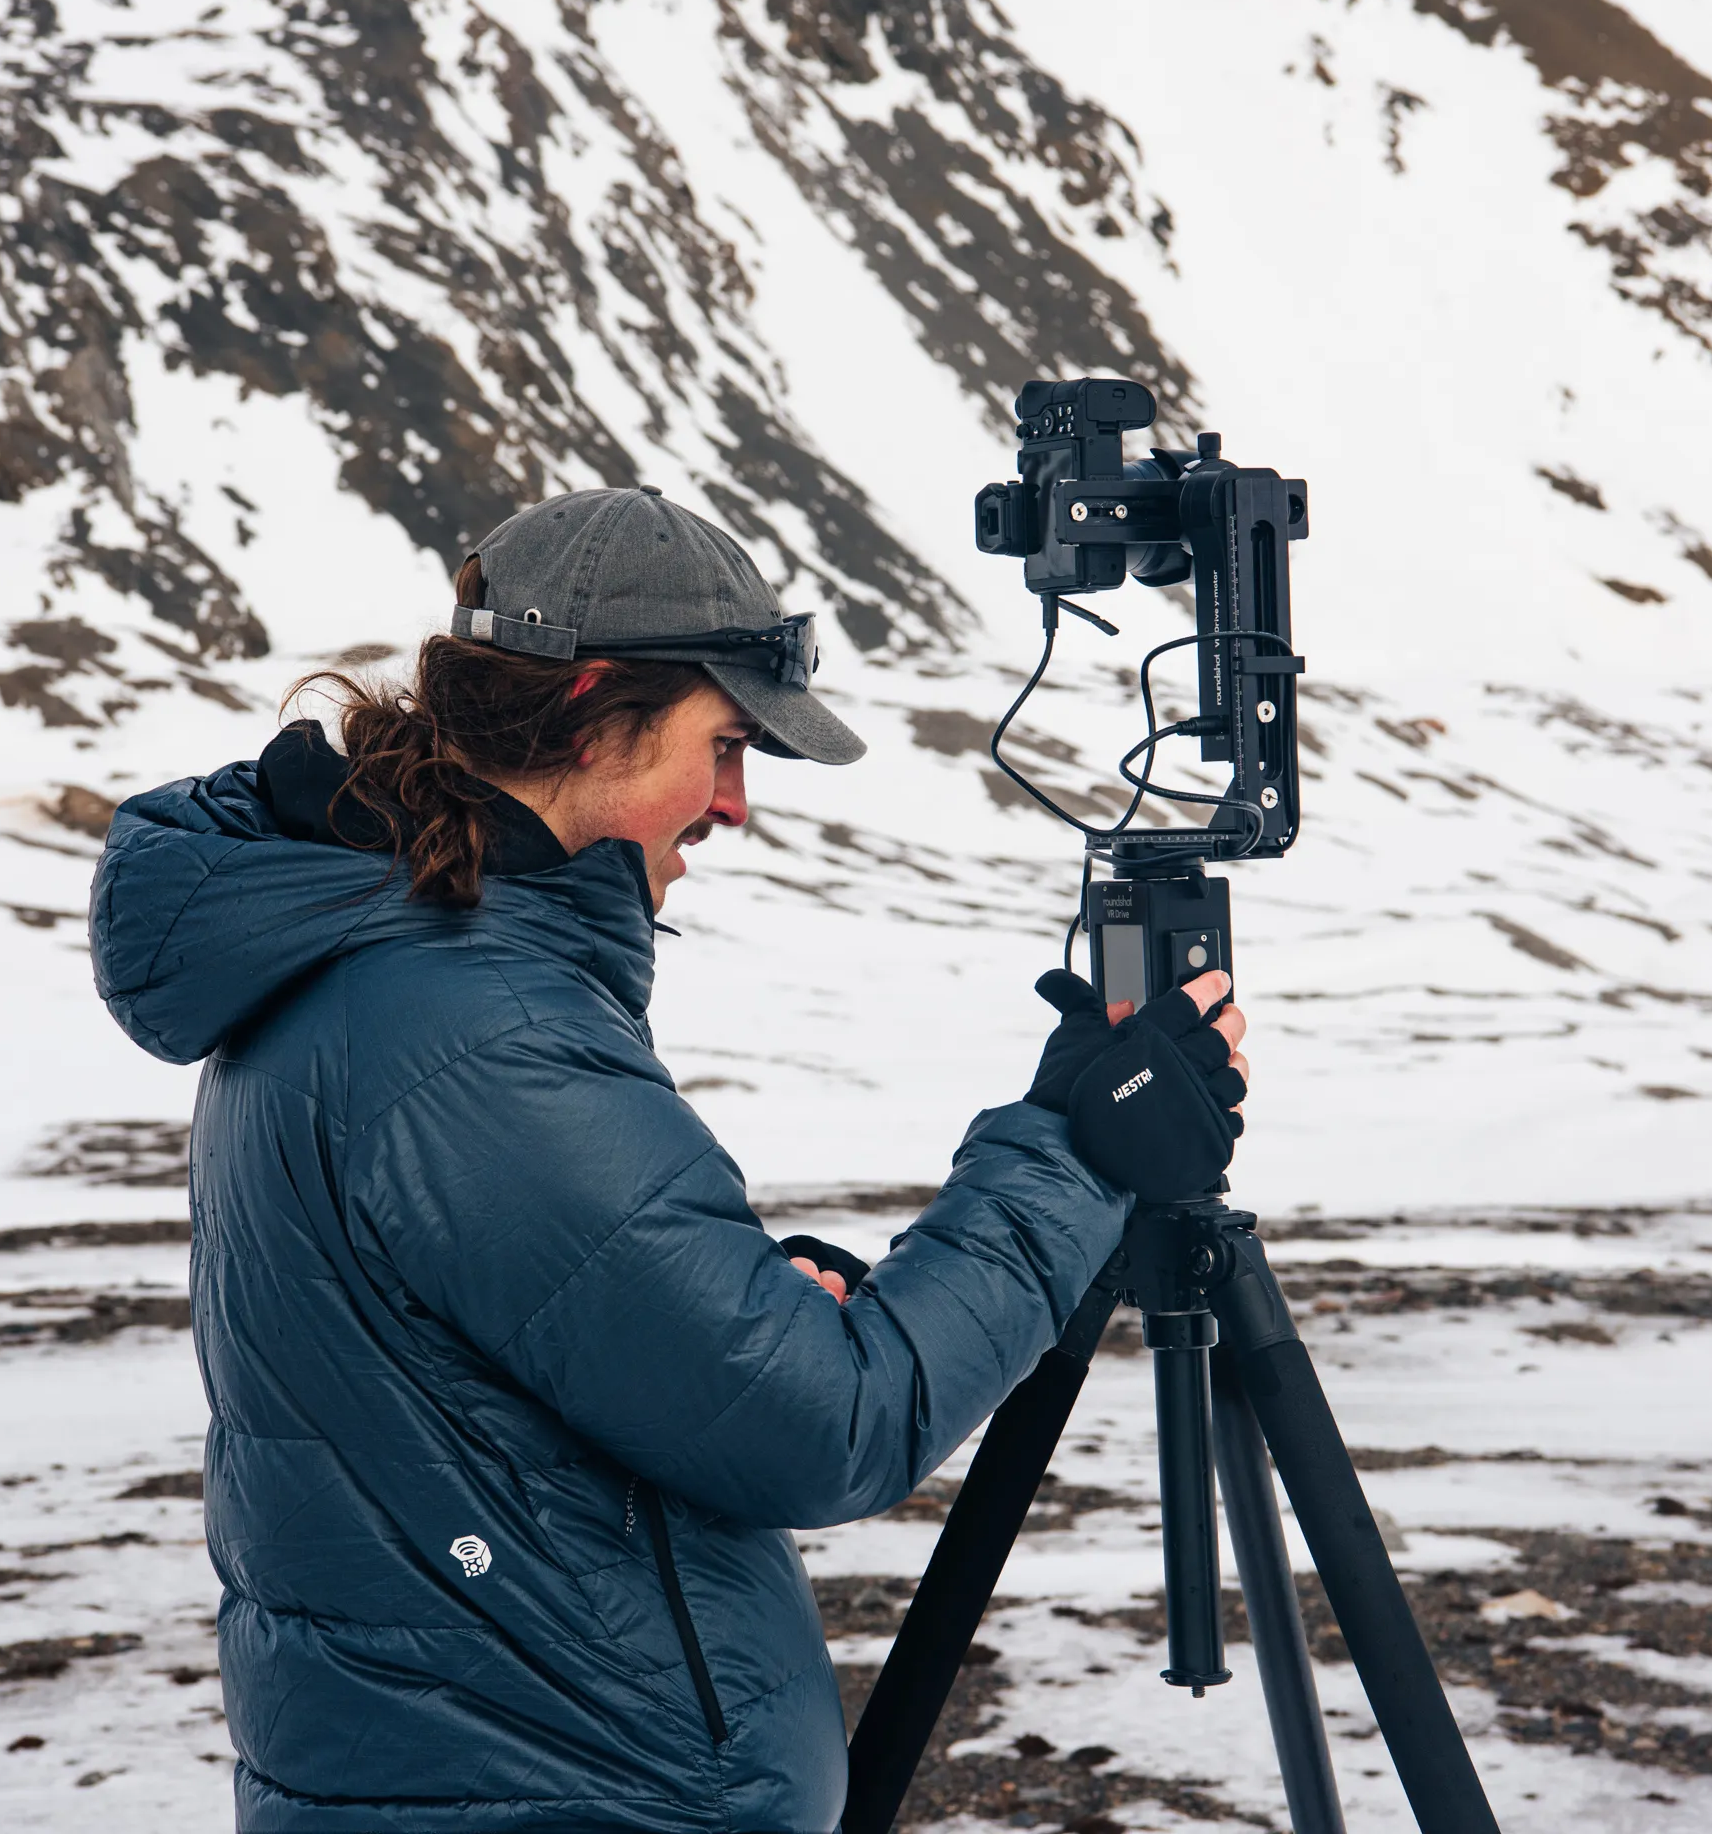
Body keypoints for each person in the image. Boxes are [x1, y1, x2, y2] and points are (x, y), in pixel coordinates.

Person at [89, 488, 1250, 1832]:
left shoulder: (394, 962)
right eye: (727, 746)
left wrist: (753, 1304)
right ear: (594, 717)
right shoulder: (471, 1032)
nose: (740, 806)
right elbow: (823, 1428)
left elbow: (510, 1358)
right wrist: (1075, 1155)